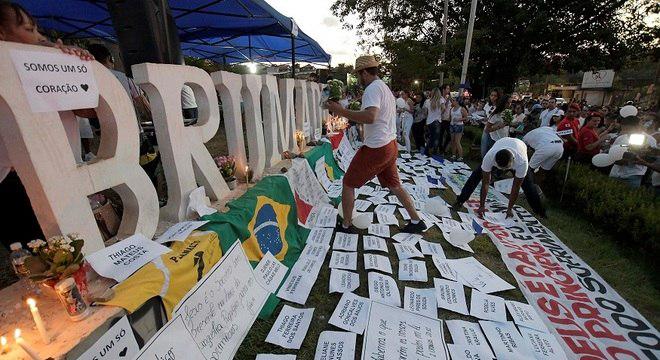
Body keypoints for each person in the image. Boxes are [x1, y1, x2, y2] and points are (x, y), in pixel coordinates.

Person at [0, 1, 93, 248]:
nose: (41, 37)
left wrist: (76, 70)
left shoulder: (49, 69)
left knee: (77, 242)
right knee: (43, 258)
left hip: (64, 171)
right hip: (18, 182)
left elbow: (88, 110)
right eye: (30, 30)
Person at [326, 55, 425, 233]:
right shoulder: (383, 87)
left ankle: (346, 224)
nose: (357, 78)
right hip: (390, 144)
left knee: (348, 183)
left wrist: (341, 111)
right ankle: (417, 221)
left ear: (364, 73)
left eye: (358, 75)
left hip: (377, 147)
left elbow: (370, 117)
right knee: (395, 185)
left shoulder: (372, 88)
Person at [454, 137, 546, 218]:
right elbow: (486, 183)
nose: (503, 171)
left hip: (519, 147)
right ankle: (460, 200)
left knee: (528, 186)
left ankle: (539, 211)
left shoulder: (522, 162)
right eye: (500, 168)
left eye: (506, 168)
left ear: (512, 162)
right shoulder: (489, 157)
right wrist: (481, 206)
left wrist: (509, 209)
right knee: (475, 176)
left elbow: (516, 187)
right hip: (502, 143)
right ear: (496, 161)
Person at [609, 114, 658, 187]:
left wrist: (637, 156)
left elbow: (652, 159)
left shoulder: (650, 140)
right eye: (623, 129)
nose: (626, 132)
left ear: (637, 126)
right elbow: (612, 153)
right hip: (614, 173)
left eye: (628, 129)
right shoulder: (621, 138)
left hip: (632, 176)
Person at [481, 88, 501, 157]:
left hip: (494, 130)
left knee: (491, 149)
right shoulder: (487, 105)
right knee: (484, 148)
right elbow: (486, 115)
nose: (493, 97)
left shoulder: (499, 107)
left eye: (495, 96)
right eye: (491, 95)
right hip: (486, 128)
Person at [424, 87, 443, 156]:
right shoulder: (441, 100)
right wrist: (439, 113)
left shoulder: (428, 101)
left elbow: (425, 112)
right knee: (436, 138)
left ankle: (427, 150)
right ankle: (434, 151)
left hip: (429, 121)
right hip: (437, 120)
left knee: (431, 137)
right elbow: (443, 109)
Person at [449, 97, 467, 161]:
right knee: (453, 141)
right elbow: (450, 117)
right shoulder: (451, 109)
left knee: (457, 141)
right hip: (452, 125)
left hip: (459, 125)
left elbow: (466, 118)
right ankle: (453, 155)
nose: (452, 101)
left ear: (457, 101)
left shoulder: (462, 109)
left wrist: (459, 119)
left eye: (453, 100)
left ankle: (460, 156)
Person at [438, 84, 452, 154]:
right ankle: (440, 149)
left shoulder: (448, 97)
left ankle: (443, 148)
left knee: (449, 135)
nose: (448, 90)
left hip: (448, 119)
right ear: (443, 90)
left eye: (449, 89)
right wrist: (447, 101)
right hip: (442, 119)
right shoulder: (441, 98)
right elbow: (442, 109)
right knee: (441, 135)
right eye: (447, 88)